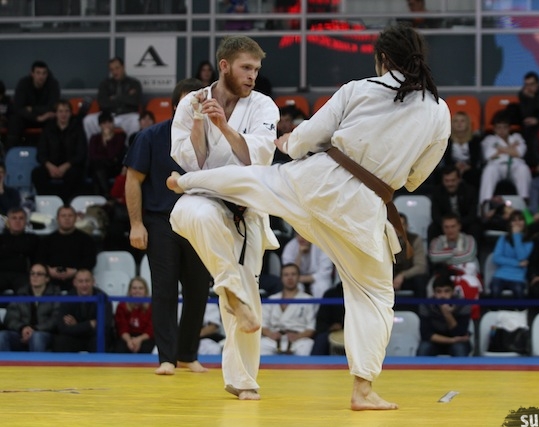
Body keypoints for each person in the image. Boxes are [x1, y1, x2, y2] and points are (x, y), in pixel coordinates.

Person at [167, 24, 450, 409]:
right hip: (364, 210)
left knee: (255, 181)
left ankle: (185, 182)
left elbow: (305, 139)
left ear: (382, 58)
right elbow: (416, 179)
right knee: (374, 296)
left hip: (318, 183)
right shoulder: (439, 111)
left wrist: (290, 143)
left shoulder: (359, 89)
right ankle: (363, 390)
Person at [168, 36, 280, 400]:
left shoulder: (263, 105)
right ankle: (228, 287)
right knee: (191, 211)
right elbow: (191, 162)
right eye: (246, 68)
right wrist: (199, 123)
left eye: (256, 69)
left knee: (249, 301)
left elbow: (257, 158)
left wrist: (224, 126)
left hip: (245, 207)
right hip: (203, 197)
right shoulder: (191, 102)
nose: (252, 76)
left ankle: (242, 381)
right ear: (224, 65)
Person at [123, 78, 212, 375]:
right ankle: (166, 358)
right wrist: (136, 224)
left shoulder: (212, 138)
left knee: (198, 289)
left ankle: (187, 354)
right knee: (165, 289)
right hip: (161, 220)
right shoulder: (150, 137)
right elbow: (133, 180)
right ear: (175, 106)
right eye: (188, 102)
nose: (194, 107)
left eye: (199, 102)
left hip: (199, 221)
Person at [31, 99, 87, 203]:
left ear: (70, 113)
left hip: (70, 166)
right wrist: (50, 166)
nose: (63, 114)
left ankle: (66, 202)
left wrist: (66, 166)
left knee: (75, 174)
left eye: (66, 111)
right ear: (56, 113)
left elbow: (81, 153)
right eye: (60, 111)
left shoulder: (77, 129)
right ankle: (47, 201)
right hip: (51, 166)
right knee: (37, 173)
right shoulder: (48, 129)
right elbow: (41, 153)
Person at [36, 205, 97, 293]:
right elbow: (40, 259)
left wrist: (75, 271)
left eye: (70, 216)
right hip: (51, 281)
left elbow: (90, 261)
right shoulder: (47, 241)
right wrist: (49, 271)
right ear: (58, 219)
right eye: (63, 216)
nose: (67, 218)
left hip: (77, 282)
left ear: (75, 218)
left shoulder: (87, 240)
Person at [0, 263, 60, 352]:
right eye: (32, 273)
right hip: (21, 333)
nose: (35, 276)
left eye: (39, 274)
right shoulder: (21, 293)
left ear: (47, 278)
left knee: (36, 337)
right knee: (2, 336)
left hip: (44, 334)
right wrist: (22, 328)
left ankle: (37, 362)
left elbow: (55, 319)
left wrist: (35, 330)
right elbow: (10, 317)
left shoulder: (55, 295)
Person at [260, 263, 316, 356]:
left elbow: (311, 328)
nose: (290, 278)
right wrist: (270, 334)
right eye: (286, 275)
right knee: (261, 345)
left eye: (293, 274)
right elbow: (263, 324)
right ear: (281, 278)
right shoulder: (272, 299)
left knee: (307, 345)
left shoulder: (308, 299)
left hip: (299, 339)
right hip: (274, 338)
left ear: (299, 277)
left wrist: (298, 336)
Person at [52, 269, 113, 353]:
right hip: (75, 337)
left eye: (87, 281)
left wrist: (76, 325)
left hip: (94, 337)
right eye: (80, 281)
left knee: (102, 339)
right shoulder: (68, 298)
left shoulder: (103, 297)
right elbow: (62, 327)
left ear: (93, 282)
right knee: (60, 341)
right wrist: (89, 324)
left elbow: (105, 326)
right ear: (75, 283)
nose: (84, 285)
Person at [83, 57, 143, 141]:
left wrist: (114, 98)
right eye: (112, 69)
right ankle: (95, 146)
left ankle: (130, 148)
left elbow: (135, 101)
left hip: (127, 115)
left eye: (117, 68)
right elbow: (102, 103)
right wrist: (125, 97)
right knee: (88, 120)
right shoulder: (105, 84)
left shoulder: (134, 83)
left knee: (136, 120)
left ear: (123, 67)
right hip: (108, 115)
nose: (115, 72)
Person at [479, 110, 531, 205]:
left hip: (515, 165)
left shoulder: (517, 137)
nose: (502, 131)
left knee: (523, 169)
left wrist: (499, 148)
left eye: (504, 127)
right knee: (489, 170)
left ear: (509, 128)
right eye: (498, 128)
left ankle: (525, 202)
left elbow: (520, 153)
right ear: (494, 129)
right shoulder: (489, 139)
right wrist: (511, 148)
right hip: (497, 166)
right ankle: (485, 203)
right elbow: (488, 155)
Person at [6, 61, 60, 149]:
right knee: (14, 120)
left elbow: (53, 106)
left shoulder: (53, 84)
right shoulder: (24, 83)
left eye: (44, 73)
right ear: (32, 74)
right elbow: (18, 107)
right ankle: (11, 153)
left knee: (54, 119)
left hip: (46, 118)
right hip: (28, 118)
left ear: (47, 74)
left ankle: (52, 153)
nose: (41, 76)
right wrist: (37, 117)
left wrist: (33, 109)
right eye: (38, 73)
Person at [417, 273, 471, 357]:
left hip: (458, 342)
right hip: (435, 342)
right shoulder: (426, 305)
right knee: (424, 348)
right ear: (434, 293)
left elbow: (460, 333)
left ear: (453, 292)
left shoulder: (463, 304)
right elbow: (426, 334)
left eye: (447, 291)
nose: (443, 295)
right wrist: (452, 340)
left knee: (459, 348)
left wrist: (447, 314)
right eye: (439, 291)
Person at [428, 165, 482, 245]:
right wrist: (448, 225)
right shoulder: (437, 192)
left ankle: (474, 251)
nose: (450, 184)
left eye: (453, 180)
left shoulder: (470, 191)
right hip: (445, 225)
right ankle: (433, 252)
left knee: (475, 228)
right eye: (447, 181)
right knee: (433, 229)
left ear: (459, 179)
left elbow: (472, 215)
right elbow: (435, 215)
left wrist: (457, 225)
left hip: (464, 223)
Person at [489, 210, 532, 299]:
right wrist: (517, 263)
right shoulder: (503, 238)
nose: (517, 223)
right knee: (495, 290)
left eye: (520, 220)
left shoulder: (529, 242)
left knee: (518, 291)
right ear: (510, 223)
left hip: (518, 276)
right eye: (514, 220)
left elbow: (522, 257)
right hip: (501, 274)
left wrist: (516, 235)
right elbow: (496, 258)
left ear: (524, 222)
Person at [281, 231, 334, 298]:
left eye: (304, 234)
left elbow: (324, 274)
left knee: (321, 287)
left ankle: (319, 305)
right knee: (296, 286)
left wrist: (297, 278)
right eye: (298, 234)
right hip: (297, 279)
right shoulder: (290, 247)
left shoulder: (322, 246)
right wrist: (299, 254)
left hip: (316, 279)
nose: (301, 238)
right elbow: (289, 272)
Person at [0, 207, 39, 294]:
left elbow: (37, 259)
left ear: (26, 222)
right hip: (1, 273)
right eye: (14, 218)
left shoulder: (33, 239)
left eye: (21, 218)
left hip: (22, 275)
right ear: (8, 221)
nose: (17, 221)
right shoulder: (1, 239)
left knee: (26, 290)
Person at [88, 111, 127, 196]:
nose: (107, 125)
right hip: (99, 167)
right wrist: (106, 158)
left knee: (97, 170)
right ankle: (107, 195)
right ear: (100, 125)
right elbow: (92, 156)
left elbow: (112, 154)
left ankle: (104, 196)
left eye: (109, 122)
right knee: (98, 168)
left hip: (114, 168)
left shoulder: (120, 137)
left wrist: (108, 140)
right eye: (104, 123)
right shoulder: (94, 138)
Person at [113, 276, 154, 354]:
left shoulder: (152, 306)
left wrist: (139, 340)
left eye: (140, 288)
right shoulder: (122, 305)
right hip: (127, 337)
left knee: (146, 348)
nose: (137, 291)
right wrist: (129, 341)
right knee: (120, 348)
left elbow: (151, 328)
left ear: (145, 291)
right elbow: (122, 327)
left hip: (145, 337)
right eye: (134, 288)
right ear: (130, 290)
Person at [442, 111, 483, 185]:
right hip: (451, 168)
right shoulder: (447, 140)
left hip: (470, 169)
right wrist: (455, 167)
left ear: (468, 124)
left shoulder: (475, 140)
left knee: (475, 174)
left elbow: (476, 159)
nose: (459, 124)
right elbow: (446, 159)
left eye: (462, 121)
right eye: (456, 121)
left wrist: (467, 167)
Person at [392, 213, 427, 299]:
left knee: (420, 280)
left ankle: (420, 306)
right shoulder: (382, 240)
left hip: (408, 278)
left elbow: (420, 267)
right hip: (387, 278)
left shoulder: (415, 239)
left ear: (407, 226)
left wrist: (403, 275)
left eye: (401, 225)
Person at [310, 282, 345, 355]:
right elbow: (321, 322)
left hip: (357, 332)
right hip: (332, 331)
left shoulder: (363, 294)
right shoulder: (330, 294)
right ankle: (315, 362)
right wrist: (331, 328)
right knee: (321, 339)